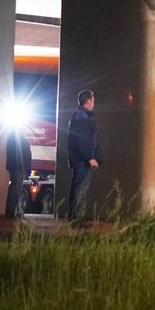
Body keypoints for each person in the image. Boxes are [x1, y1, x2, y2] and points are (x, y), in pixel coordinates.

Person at [67, 89, 101, 222]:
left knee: (78, 189)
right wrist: (90, 157)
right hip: (82, 161)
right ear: (87, 101)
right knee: (80, 190)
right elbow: (82, 140)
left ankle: (75, 218)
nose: (94, 102)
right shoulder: (82, 117)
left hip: (79, 160)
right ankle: (76, 219)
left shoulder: (79, 116)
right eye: (93, 100)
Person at [4, 123, 32, 219]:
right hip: (18, 167)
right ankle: (11, 213)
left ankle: (11, 212)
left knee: (15, 189)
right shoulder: (20, 140)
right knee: (16, 189)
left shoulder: (11, 138)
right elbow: (26, 155)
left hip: (15, 167)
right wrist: (28, 169)